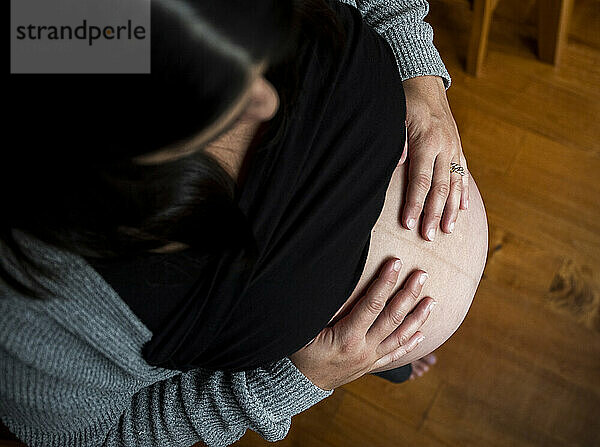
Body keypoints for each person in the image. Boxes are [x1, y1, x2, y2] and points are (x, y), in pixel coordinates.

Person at [0, 0, 487, 446]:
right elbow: (91, 439)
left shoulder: (69, 26)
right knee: (374, 350)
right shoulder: (30, 315)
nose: (267, 102)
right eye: (223, 101)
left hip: (322, 325)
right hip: (299, 349)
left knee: (383, 343)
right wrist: (287, 383)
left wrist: (418, 75)